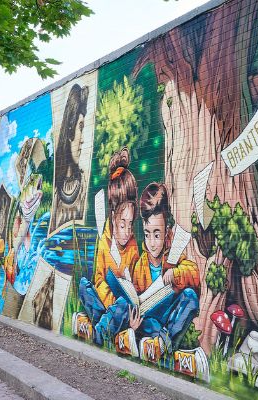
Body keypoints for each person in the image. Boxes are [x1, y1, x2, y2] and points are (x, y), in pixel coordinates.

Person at [74, 149, 142, 354]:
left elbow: (136, 289)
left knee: (123, 304)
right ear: (113, 218)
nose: (128, 231)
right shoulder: (104, 241)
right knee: (84, 286)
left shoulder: (133, 248)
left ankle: (97, 332)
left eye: (131, 225)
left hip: (122, 307)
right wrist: (111, 301)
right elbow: (98, 279)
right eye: (123, 224)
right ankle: (107, 325)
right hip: (108, 304)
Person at [131, 182, 200, 358]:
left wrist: (175, 273)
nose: (152, 243)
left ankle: (162, 343)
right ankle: (157, 341)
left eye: (157, 234)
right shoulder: (140, 266)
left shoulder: (173, 255)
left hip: (170, 316)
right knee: (148, 322)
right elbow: (137, 299)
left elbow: (193, 272)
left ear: (167, 232)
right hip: (151, 320)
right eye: (147, 234)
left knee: (190, 297)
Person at [53, 83, 89, 227]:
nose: (83, 140)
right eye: (80, 127)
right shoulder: (56, 192)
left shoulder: (84, 184)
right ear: (69, 131)